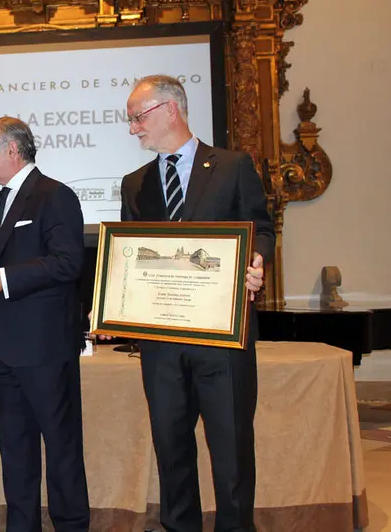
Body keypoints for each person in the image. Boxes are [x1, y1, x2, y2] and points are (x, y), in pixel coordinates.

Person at [119, 75, 275, 532]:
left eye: (137, 117)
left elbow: (259, 227)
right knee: (171, 452)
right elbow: (131, 254)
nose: (133, 129)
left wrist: (257, 259)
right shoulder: (134, 183)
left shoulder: (231, 166)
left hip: (221, 339)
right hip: (161, 344)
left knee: (230, 453)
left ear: (170, 110)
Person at [0, 116, 90, 532]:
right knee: (15, 450)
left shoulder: (54, 196)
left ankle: (71, 525)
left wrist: (2, 278)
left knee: (61, 449)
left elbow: (69, 262)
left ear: (12, 150)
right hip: (0, 349)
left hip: (44, 348)